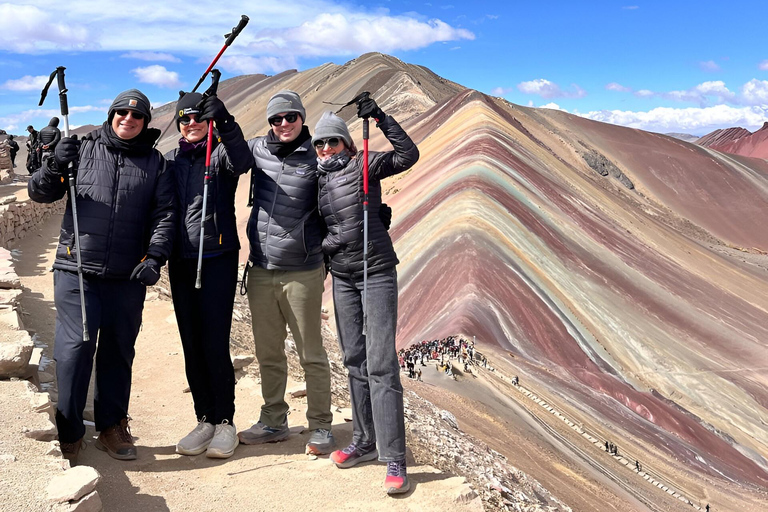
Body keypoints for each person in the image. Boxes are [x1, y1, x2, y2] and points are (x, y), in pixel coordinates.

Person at [28, 89, 175, 465]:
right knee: (76, 347)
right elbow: (40, 193)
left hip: (128, 275)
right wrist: (54, 164)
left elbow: (165, 214)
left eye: (137, 115)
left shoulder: (155, 163)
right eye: (122, 112)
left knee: (119, 349)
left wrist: (155, 257)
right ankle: (69, 429)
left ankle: (111, 426)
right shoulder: (81, 150)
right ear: (111, 115)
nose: (129, 119)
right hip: (77, 268)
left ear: (145, 122)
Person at [314, 97, 419, 495]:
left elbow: (408, 155)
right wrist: (330, 244)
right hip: (342, 278)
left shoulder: (365, 164)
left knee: (381, 363)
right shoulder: (316, 179)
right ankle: (363, 440)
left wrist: (379, 118)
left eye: (333, 142)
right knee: (353, 360)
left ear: (346, 142)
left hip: (375, 272)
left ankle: (395, 458)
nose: (326, 149)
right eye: (320, 143)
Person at [237, 90, 335, 456]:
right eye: (276, 119)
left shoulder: (318, 153)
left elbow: (346, 188)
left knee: (311, 353)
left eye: (290, 116)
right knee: (268, 351)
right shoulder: (257, 148)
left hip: (303, 270)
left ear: (302, 117)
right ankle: (273, 421)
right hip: (261, 268)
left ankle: (321, 425)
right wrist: (220, 119)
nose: (283, 124)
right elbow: (227, 154)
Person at [165, 92, 253, 459]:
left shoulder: (220, 154)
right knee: (191, 342)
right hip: (180, 259)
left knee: (214, 341)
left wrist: (227, 122)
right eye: (185, 119)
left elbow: (243, 160)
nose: (192, 124)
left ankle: (225, 422)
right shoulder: (171, 161)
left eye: (199, 118)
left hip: (217, 255)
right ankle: (204, 418)